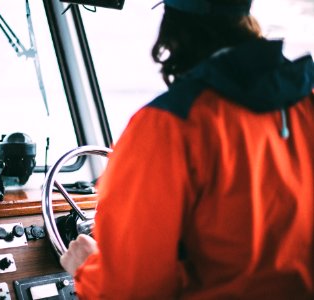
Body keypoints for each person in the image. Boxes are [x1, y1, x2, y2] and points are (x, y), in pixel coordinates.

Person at [60, 0, 314, 299]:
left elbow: (129, 290)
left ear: (172, 29)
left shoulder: (167, 126)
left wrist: (87, 266)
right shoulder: (305, 105)